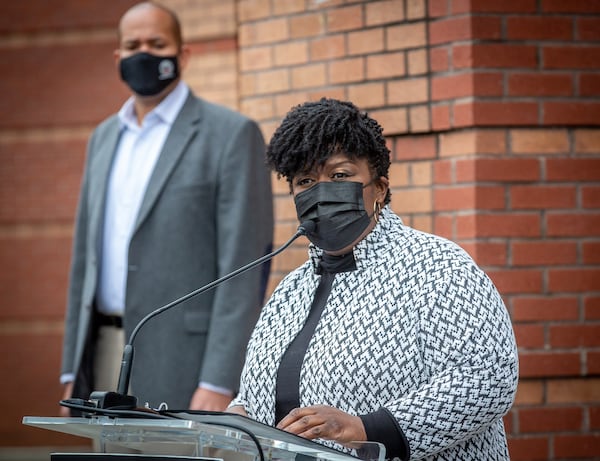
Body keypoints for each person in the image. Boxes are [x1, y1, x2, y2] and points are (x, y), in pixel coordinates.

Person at [228, 98, 519, 460]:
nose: (321, 191)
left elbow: (486, 379)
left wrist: (367, 428)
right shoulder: (290, 289)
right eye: (305, 180)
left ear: (379, 188)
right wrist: (234, 420)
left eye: (339, 175)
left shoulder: (439, 268)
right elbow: (261, 392)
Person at [60, 1, 273, 413]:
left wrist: (220, 378)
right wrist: (72, 368)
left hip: (186, 364)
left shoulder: (230, 135)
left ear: (183, 54)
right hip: (101, 357)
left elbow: (243, 268)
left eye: (157, 43)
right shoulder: (103, 138)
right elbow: (83, 262)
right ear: (118, 57)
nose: (145, 53)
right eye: (133, 44)